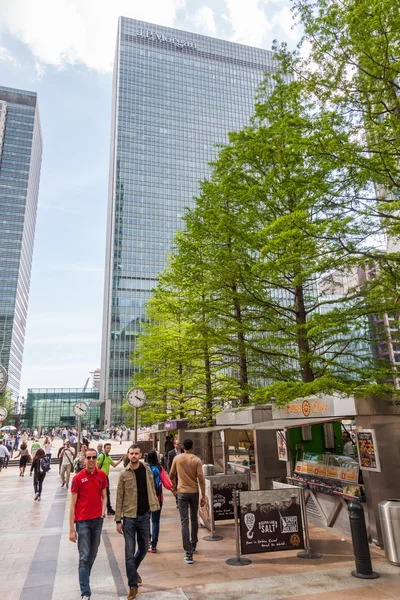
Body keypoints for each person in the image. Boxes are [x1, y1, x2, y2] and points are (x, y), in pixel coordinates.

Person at [115, 445, 160, 600]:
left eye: (136, 453)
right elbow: (119, 497)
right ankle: (132, 585)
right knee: (129, 551)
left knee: (143, 548)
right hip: (128, 517)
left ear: (140, 454)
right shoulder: (123, 474)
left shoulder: (147, 470)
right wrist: (118, 520)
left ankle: (133, 571)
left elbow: (152, 488)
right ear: (128, 455)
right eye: (131, 453)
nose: (134, 456)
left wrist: (154, 505)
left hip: (144, 516)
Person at [70, 448, 108, 600]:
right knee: (84, 556)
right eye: (89, 457)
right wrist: (71, 529)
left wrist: (103, 512)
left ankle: (84, 575)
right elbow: (72, 505)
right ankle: (85, 592)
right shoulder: (78, 478)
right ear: (84, 460)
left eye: (94, 457)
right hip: (83, 521)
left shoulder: (102, 476)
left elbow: (104, 496)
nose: (91, 460)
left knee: (93, 554)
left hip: (97, 520)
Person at [169, 438, 206, 564]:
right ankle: (193, 543)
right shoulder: (196, 460)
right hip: (194, 492)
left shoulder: (177, 459)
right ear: (192, 447)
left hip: (182, 492)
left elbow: (171, 475)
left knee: (184, 521)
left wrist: (174, 488)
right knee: (194, 518)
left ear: (183, 447)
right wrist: (203, 495)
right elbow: (201, 478)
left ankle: (188, 553)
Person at [146, 449, 174, 553]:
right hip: (158, 498)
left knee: (146, 520)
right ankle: (154, 545)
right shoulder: (159, 468)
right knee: (155, 521)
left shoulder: (145, 468)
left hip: (147, 499)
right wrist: (173, 490)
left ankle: (148, 541)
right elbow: (166, 483)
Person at [97, 442, 126, 515]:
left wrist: (120, 460)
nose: (109, 449)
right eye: (107, 448)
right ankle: (101, 509)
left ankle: (108, 509)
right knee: (101, 493)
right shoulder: (101, 456)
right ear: (104, 449)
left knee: (107, 493)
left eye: (110, 448)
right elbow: (97, 467)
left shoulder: (108, 457)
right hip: (100, 477)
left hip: (106, 477)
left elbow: (114, 465)